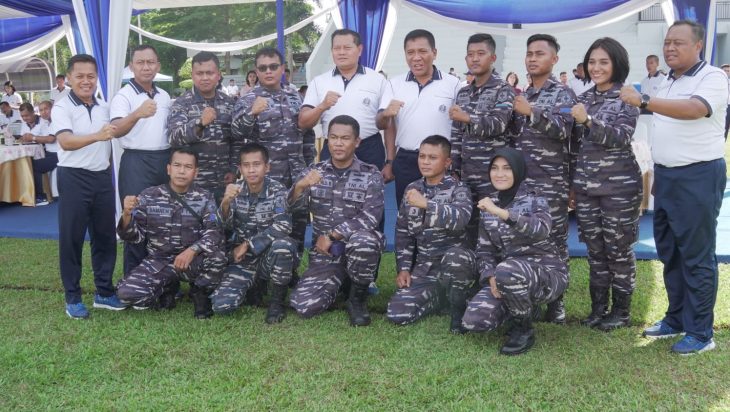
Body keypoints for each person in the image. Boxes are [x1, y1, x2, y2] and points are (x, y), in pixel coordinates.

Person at [620, 20, 729, 355]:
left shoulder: (712, 77)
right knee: (671, 252)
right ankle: (677, 318)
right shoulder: (669, 80)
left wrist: (644, 100)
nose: (670, 48)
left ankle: (700, 332)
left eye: (678, 42)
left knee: (696, 256)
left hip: (698, 176)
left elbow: (695, 109)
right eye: (667, 42)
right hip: (667, 177)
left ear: (698, 46)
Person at [462, 148, 567, 355]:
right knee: (474, 321)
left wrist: (501, 213)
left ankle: (523, 329)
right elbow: (484, 251)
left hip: (547, 275)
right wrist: (490, 276)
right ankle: (524, 308)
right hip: (506, 277)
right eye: (494, 168)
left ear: (518, 171)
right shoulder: (489, 204)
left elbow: (541, 229)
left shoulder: (535, 198)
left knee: (507, 269)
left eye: (507, 168)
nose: (499, 174)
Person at [569, 37, 641, 331]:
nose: (596, 67)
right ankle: (598, 309)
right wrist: (573, 185)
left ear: (617, 64)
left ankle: (621, 312)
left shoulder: (627, 96)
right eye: (592, 62)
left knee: (618, 251)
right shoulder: (584, 99)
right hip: (587, 188)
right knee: (595, 251)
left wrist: (588, 122)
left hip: (619, 189)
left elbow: (621, 137)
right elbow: (575, 147)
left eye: (603, 62)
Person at [288, 115, 384, 326]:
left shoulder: (370, 174)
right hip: (326, 254)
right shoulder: (314, 172)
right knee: (304, 306)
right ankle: (341, 282)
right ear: (327, 140)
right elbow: (291, 210)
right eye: (333, 137)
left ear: (356, 142)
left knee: (365, 240)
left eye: (345, 138)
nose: (338, 143)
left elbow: (371, 217)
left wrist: (332, 235)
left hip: (356, 249)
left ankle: (357, 299)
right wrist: (300, 187)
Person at [51, 54, 125, 319]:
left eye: (91, 76)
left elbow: (118, 133)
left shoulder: (104, 106)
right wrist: (97, 136)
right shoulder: (62, 107)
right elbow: (66, 142)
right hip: (73, 178)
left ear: (97, 78)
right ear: (69, 78)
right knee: (71, 239)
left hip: (102, 177)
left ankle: (104, 292)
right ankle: (72, 297)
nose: (86, 81)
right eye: (80, 76)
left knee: (105, 237)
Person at [231, 46, 313, 285]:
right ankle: (262, 275)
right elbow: (236, 133)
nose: (268, 71)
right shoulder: (248, 99)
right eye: (263, 68)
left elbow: (306, 133)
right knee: (268, 224)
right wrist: (252, 114)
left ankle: (290, 272)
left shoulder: (294, 96)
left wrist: (309, 165)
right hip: (266, 178)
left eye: (273, 66)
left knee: (298, 223)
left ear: (282, 69)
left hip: (296, 173)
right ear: (256, 71)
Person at [510, 33, 577, 324]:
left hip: (551, 183)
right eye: (530, 54)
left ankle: (556, 303)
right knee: (525, 239)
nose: (533, 58)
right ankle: (533, 295)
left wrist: (532, 112)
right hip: (522, 185)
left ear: (554, 59)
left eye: (540, 53)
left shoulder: (563, 94)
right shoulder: (522, 94)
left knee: (554, 242)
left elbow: (564, 130)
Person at [116, 148, 226, 318]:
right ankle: (166, 290)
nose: (182, 171)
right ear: (168, 169)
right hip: (159, 261)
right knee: (126, 293)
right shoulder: (149, 196)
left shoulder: (205, 197)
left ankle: (200, 292)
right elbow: (133, 237)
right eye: (177, 165)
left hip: (192, 260)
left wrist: (192, 251)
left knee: (218, 258)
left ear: (195, 172)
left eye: (188, 167)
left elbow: (214, 232)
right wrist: (126, 215)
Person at [386, 135, 475, 333]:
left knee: (456, 257)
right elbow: (403, 233)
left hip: (456, 266)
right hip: (426, 267)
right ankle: (440, 299)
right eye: (422, 156)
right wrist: (404, 268)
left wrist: (427, 204)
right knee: (397, 313)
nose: (425, 162)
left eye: (433, 157)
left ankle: (458, 308)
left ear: (447, 162)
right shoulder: (413, 189)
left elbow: (462, 218)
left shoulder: (458, 189)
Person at [210, 143, 297, 322]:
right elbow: (219, 225)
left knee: (283, 246)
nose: (251, 170)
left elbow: (283, 226)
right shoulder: (234, 190)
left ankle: (276, 302)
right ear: (240, 168)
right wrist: (225, 202)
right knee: (222, 306)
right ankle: (254, 286)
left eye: (256, 164)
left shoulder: (278, 190)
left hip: (269, 256)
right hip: (244, 260)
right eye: (246, 165)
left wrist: (248, 244)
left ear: (267, 167)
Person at [377, 29, 461, 205]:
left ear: (434, 53)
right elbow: (383, 124)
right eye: (410, 52)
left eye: (422, 51)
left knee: (441, 212)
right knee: (407, 212)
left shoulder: (453, 84)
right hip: (406, 160)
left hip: (441, 160)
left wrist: (455, 164)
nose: (416, 57)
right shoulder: (394, 84)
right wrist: (390, 161)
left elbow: (460, 127)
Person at [110, 44, 173, 276]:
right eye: (140, 62)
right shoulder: (123, 95)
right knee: (136, 218)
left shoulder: (164, 95)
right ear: (131, 66)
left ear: (158, 65)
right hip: (136, 161)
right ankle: (134, 281)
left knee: (164, 220)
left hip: (164, 160)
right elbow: (115, 130)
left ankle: (163, 280)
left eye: (150, 62)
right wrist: (137, 113)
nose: (146, 67)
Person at [449, 33, 515, 247]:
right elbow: (457, 134)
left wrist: (468, 118)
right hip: (467, 175)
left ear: (493, 58)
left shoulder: (503, 90)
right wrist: (454, 167)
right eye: (470, 55)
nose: (475, 59)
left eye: (480, 53)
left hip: (494, 175)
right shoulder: (463, 93)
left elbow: (499, 124)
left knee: (493, 230)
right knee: (467, 229)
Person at [299, 29, 390, 171]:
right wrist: (322, 106)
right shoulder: (319, 82)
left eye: (347, 48)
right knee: (328, 186)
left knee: (372, 185)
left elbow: (388, 123)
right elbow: (303, 122)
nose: (341, 52)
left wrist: (390, 161)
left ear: (359, 50)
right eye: (337, 48)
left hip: (369, 149)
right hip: (333, 148)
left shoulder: (378, 80)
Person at [168, 51, 236, 201]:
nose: (205, 78)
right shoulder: (182, 103)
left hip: (224, 182)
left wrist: (234, 169)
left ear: (218, 75)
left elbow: (236, 140)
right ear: (192, 75)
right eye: (199, 73)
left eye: (209, 73)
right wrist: (200, 123)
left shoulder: (229, 103)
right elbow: (173, 138)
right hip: (192, 185)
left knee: (224, 216)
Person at [19, 102, 57, 205]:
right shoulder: (48, 122)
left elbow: (51, 139)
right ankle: (26, 193)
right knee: (27, 163)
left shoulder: (54, 121)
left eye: (46, 109)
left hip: (58, 154)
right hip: (48, 153)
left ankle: (42, 196)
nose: (43, 112)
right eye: (41, 110)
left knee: (34, 166)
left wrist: (33, 137)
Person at [722, 63, 729, 138]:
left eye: (728, 71)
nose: (726, 72)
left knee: (726, 125)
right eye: (725, 70)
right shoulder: (716, 80)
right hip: (722, 105)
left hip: (729, 105)